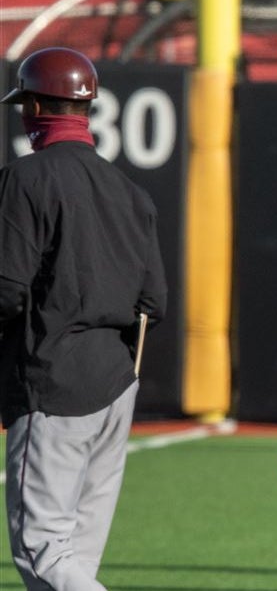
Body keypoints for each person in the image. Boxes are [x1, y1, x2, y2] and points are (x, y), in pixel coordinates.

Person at [0, 47, 168, 590]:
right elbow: (154, 302)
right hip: (116, 384)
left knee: (43, 550)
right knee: (75, 555)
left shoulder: (24, 180)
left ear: (33, 109)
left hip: (54, 384)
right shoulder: (131, 192)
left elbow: (5, 291)